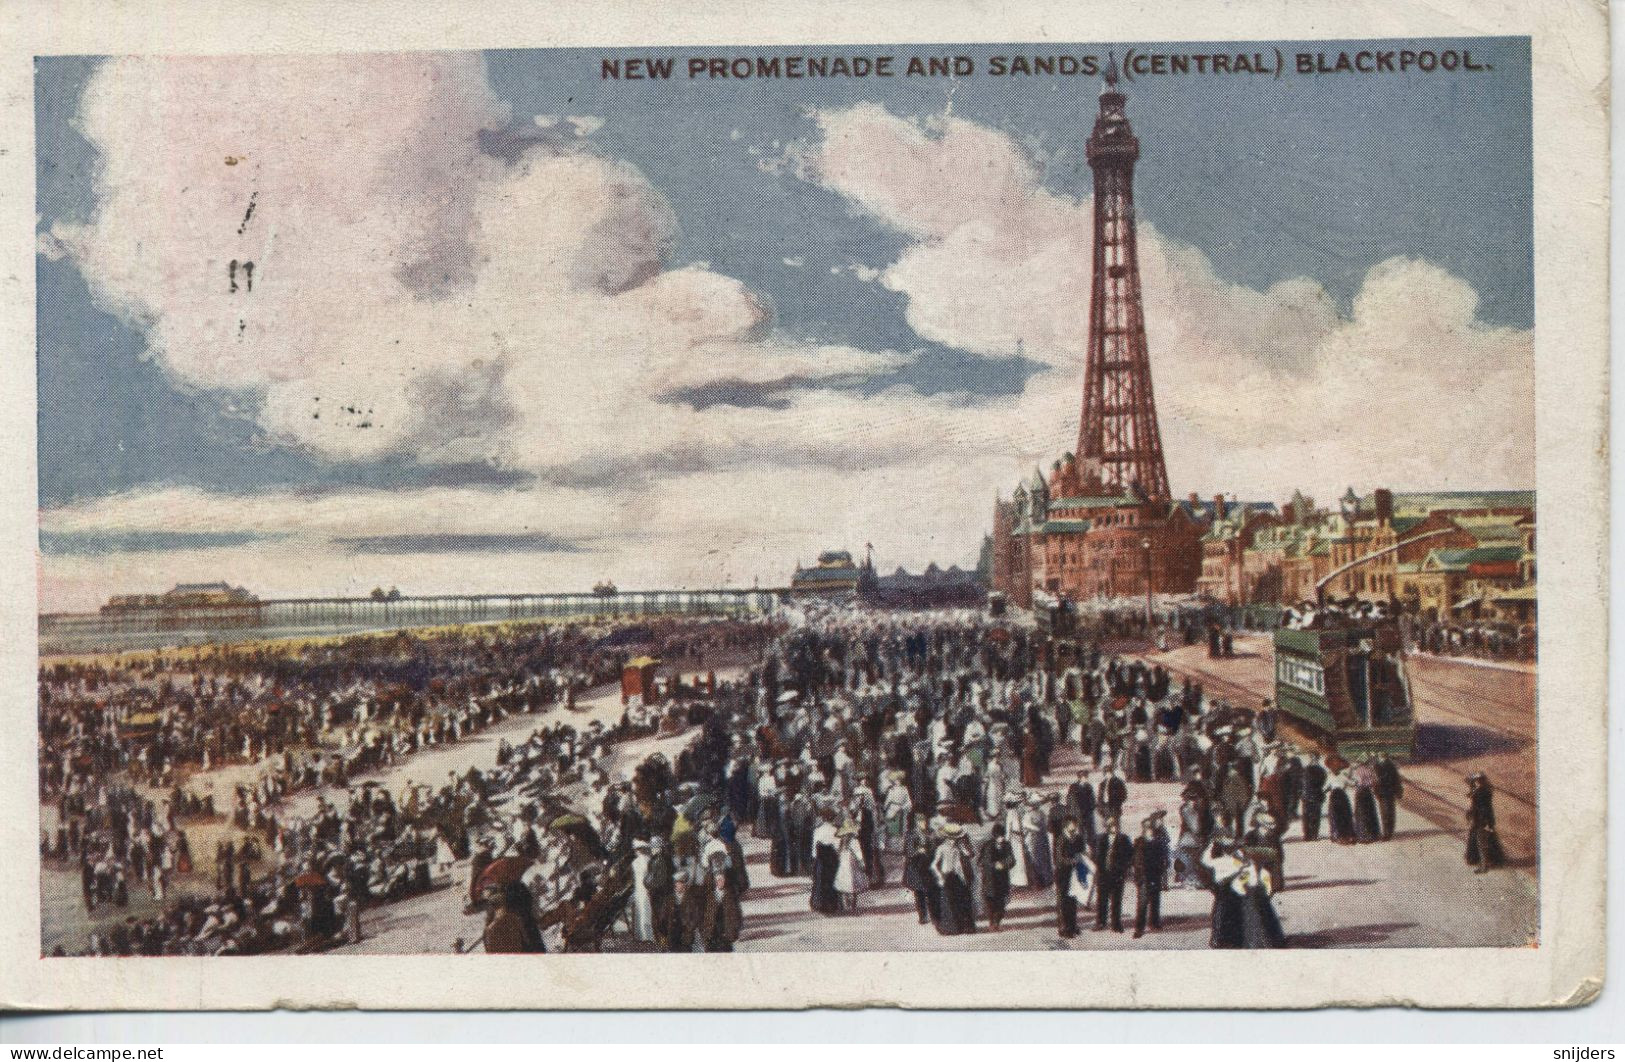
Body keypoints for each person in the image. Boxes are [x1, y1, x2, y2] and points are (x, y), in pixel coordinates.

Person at [930, 823, 976, 935]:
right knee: (949, 902)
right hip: (946, 877)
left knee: (960, 901)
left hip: (958, 877)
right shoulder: (941, 848)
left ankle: (963, 926)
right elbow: (934, 865)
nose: (953, 841)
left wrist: (963, 847)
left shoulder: (958, 848)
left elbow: (971, 855)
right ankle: (950, 928)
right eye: (951, 839)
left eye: (955, 839)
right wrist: (940, 876)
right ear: (946, 838)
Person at [1200, 841, 1246, 949]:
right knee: (1233, 913)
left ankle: (1218, 939)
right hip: (1232, 888)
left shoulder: (1218, 861)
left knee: (1220, 913)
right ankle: (1233, 940)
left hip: (1222, 888)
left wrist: (1209, 847)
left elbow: (1205, 861)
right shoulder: (1236, 860)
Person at [1092, 817, 1133, 933]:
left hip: (1117, 874)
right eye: (1110, 825)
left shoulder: (1124, 839)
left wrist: (1124, 868)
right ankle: (1101, 922)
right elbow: (1096, 854)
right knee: (1102, 900)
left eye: (1114, 824)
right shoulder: (1101, 838)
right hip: (1103, 874)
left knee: (1116, 900)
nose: (1112, 827)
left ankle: (1116, 924)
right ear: (1107, 826)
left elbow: (1130, 855)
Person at [1132, 816, 1168, 939]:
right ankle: (1139, 928)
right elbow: (1136, 861)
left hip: (1155, 875)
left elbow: (1163, 860)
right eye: (1147, 828)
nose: (1149, 831)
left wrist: (1161, 872)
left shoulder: (1158, 842)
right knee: (1142, 904)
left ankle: (1155, 923)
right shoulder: (1138, 842)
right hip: (1143, 877)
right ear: (1144, 830)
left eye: (1151, 829)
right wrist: (1138, 877)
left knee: (1155, 900)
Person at [1054, 817, 1090, 938]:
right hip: (1063, 874)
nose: (1074, 827)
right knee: (1063, 902)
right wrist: (1071, 861)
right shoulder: (1060, 839)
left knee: (1073, 900)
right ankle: (1064, 928)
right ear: (1066, 826)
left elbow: (1082, 851)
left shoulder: (1078, 838)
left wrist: (1085, 855)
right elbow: (1058, 859)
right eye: (1072, 825)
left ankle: (1073, 926)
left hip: (1074, 874)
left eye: (1075, 825)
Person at [1465, 772, 1506, 873]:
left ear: (1480, 781)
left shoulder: (1481, 792)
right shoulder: (1485, 789)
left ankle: (1484, 867)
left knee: (1481, 843)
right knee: (1484, 842)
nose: (1475, 782)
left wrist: (1482, 821)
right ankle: (1487, 862)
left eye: (1476, 781)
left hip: (1481, 820)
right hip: (1482, 819)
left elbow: (1478, 804)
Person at [978, 823, 1015, 931]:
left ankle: (997, 922)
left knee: (1001, 903)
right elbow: (982, 861)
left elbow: (1012, 860)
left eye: (1003, 836)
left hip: (1002, 879)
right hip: (989, 879)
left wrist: (1003, 864)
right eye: (999, 836)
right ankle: (992, 923)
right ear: (995, 836)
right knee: (990, 903)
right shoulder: (988, 845)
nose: (1001, 838)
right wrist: (994, 865)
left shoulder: (1007, 845)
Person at [902, 814, 935, 925]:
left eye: (925, 821)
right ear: (916, 822)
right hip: (916, 867)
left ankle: (932, 914)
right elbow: (908, 852)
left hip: (928, 867)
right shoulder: (910, 835)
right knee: (919, 892)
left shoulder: (930, 833)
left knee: (930, 891)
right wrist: (919, 851)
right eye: (920, 821)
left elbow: (934, 848)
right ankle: (922, 916)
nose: (923, 823)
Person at [809, 815, 842, 914]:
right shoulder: (835, 830)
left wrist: (815, 859)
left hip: (820, 858)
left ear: (823, 819)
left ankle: (818, 904)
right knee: (831, 880)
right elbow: (837, 847)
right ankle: (830, 905)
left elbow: (814, 847)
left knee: (819, 880)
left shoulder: (817, 830)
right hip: (831, 858)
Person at [1374, 752, 1403, 840]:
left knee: (1385, 812)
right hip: (1388, 792)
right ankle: (1388, 831)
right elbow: (1397, 779)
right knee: (1388, 811)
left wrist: (1375, 791)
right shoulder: (1391, 765)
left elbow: (1375, 780)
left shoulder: (1378, 766)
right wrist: (1398, 792)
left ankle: (1387, 833)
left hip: (1384, 791)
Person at [1299, 754, 1327, 842]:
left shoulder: (1306, 769)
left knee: (1309, 816)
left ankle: (1309, 835)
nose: (1314, 760)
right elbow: (1322, 782)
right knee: (1313, 816)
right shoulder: (1320, 770)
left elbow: (1301, 783)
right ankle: (1311, 835)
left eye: (1314, 758)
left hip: (1310, 795)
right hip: (1313, 795)